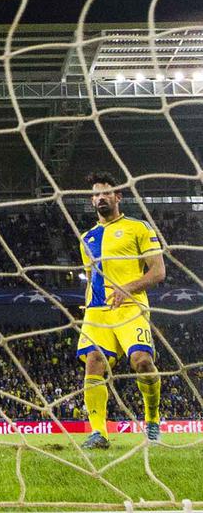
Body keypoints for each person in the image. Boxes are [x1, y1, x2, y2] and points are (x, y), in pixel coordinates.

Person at [76, 171, 165, 449]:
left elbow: (158, 272)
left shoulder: (139, 228)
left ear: (118, 196)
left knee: (142, 362)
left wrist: (128, 288)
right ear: (92, 201)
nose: (101, 197)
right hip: (97, 312)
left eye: (106, 192)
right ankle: (98, 433)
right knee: (94, 362)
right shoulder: (86, 238)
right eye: (96, 194)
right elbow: (91, 278)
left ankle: (152, 418)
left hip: (130, 307)